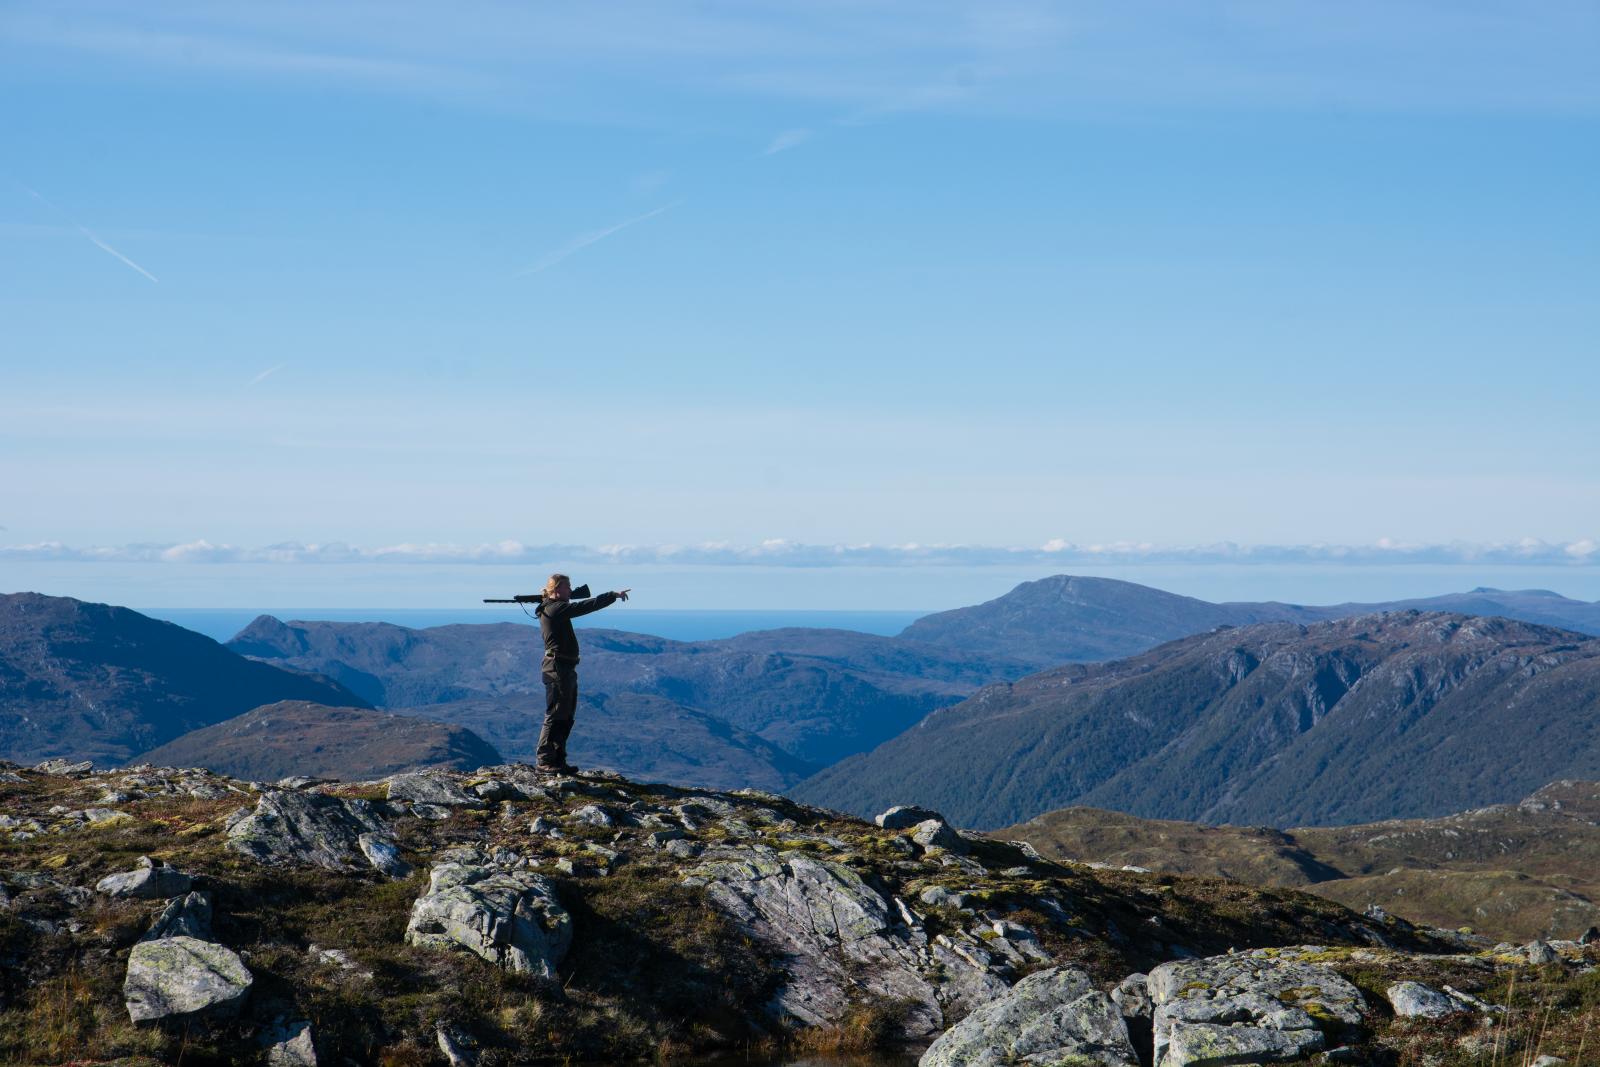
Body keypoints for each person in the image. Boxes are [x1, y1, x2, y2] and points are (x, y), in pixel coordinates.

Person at [533, 574, 629, 773]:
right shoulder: (555, 609)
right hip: (557, 668)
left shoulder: (552, 607)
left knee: (566, 715)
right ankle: (545, 760)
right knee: (555, 714)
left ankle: (558, 760)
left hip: (565, 667)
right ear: (557, 589)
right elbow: (586, 606)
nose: (571, 591)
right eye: (568, 587)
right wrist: (612, 595)